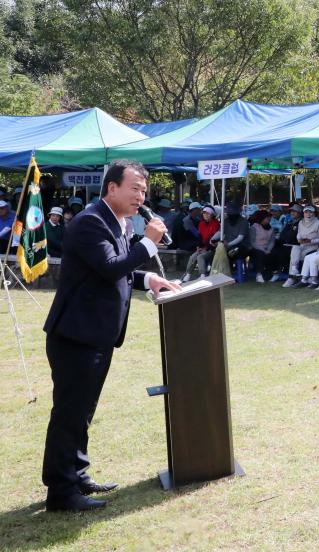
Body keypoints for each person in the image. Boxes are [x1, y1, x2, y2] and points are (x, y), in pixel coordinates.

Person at [41, 160, 180, 512]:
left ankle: (77, 473)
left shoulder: (116, 222)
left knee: (83, 410)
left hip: (97, 334)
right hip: (76, 335)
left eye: (144, 191)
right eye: (134, 188)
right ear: (112, 187)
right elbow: (110, 267)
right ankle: (61, 491)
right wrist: (148, 244)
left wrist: (150, 279)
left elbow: (117, 273)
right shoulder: (89, 222)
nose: (140, 196)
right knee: (70, 413)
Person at [283, 205, 319, 288]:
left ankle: (293, 277)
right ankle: (294, 272)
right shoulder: (300, 222)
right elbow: (299, 234)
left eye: (311, 212)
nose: (308, 214)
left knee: (296, 256)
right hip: (303, 245)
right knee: (295, 248)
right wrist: (299, 239)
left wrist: (311, 241)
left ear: (314, 213)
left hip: (314, 247)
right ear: (303, 213)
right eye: (306, 212)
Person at [203, 202, 251, 271]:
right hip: (227, 245)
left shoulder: (244, 222)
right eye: (229, 213)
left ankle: (229, 270)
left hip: (241, 245)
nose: (231, 215)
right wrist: (212, 240)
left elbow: (240, 238)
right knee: (213, 251)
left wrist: (228, 244)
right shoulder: (226, 221)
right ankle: (216, 270)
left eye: (233, 213)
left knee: (233, 252)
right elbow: (220, 232)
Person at [181, 205, 220, 282]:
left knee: (200, 257)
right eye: (204, 213)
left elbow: (213, 238)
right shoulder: (201, 223)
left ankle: (203, 275)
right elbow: (200, 236)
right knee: (193, 256)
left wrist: (206, 248)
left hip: (213, 248)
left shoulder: (216, 223)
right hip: (203, 247)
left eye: (207, 213)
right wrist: (199, 247)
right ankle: (188, 274)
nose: (205, 215)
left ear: (212, 214)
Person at [249, 210, 276, 283]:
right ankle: (259, 274)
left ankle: (270, 273)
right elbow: (252, 242)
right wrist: (263, 250)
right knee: (260, 254)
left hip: (267, 248)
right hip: (256, 248)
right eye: (267, 219)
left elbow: (272, 241)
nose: (269, 220)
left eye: (269, 219)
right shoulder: (254, 227)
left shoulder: (271, 228)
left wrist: (268, 250)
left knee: (274, 253)